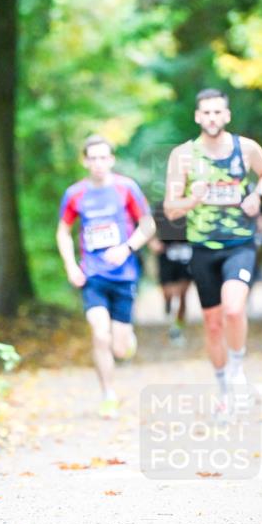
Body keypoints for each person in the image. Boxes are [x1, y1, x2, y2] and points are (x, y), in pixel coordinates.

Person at [164, 88, 262, 396]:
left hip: (239, 244)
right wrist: (192, 199)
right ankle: (224, 386)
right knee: (213, 324)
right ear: (198, 117)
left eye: (217, 112)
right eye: (206, 113)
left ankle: (237, 367)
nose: (212, 118)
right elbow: (171, 208)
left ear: (227, 115)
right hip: (202, 249)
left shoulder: (246, 149)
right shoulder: (183, 156)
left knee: (234, 309)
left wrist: (256, 195)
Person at [57, 135, 155, 418]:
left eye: (104, 157)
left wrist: (127, 248)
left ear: (111, 160)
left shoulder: (126, 188)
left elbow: (147, 224)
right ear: (86, 161)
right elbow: (63, 230)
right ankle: (108, 394)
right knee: (100, 334)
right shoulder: (75, 193)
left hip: (124, 275)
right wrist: (71, 266)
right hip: (93, 276)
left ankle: (125, 342)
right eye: (93, 158)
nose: (99, 163)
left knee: (119, 347)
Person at [149, 200, 192, 346]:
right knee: (168, 291)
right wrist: (152, 242)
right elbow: (147, 225)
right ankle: (167, 303)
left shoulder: (192, 203)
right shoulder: (160, 206)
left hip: (186, 252)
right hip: (166, 252)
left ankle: (177, 329)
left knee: (183, 294)